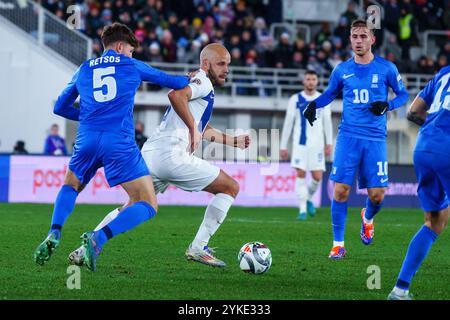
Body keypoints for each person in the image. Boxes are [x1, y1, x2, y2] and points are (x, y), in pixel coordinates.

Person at [68, 43, 251, 268]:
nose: (226, 69)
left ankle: (86, 247)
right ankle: (198, 247)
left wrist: (232, 141)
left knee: (133, 204)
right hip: (171, 155)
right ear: (206, 63)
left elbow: (201, 127)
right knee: (230, 187)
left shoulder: (196, 82)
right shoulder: (203, 81)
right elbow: (175, 96)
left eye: (228, 64)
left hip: (151, 153)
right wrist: (193, 128)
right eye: (221, 63)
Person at [33, 22, 190, 271]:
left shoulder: (84, 69)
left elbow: (59, 107)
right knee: (148, 202)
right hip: (118, 142)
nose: (131, 54)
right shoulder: (131, 65)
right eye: (130, 49)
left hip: (86, 140)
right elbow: (170, 80)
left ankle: (55, 231)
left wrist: (88, 116)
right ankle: (99, 238)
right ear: (119, 46)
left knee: (71, 185)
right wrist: (189, 78)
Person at [303, 19, 409, 260]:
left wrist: (388, 105)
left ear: (372, 39)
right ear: (350, 39)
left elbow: (403, 94)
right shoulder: (342, 70)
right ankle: (338, 244)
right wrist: (313, 105)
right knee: (340, 191)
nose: (358, 41)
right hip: (348, 137)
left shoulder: (387, 68)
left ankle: (368, 218)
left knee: (377, 196)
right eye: (354, 36)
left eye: (363, 36)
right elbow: (330, 94)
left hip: (375, 139)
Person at [388, 66, 450, 300]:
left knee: (435, 220)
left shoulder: (444, 73)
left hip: (424, 146)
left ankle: (400, 289)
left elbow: (413, 113)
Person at [280, 70, 332, 221]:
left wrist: (329, 143)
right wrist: (283, 145)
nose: (310, 82)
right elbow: (288, 123)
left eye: (313, 79)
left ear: (317, 81)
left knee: (317, 177)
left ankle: (308, 198)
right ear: (304, 81)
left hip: (317, 145)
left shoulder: (324, 98)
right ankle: (302, 210)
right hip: (300, 144)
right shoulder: (295, 99)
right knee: (301, 175)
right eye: (308, 79)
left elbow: (327, 122)